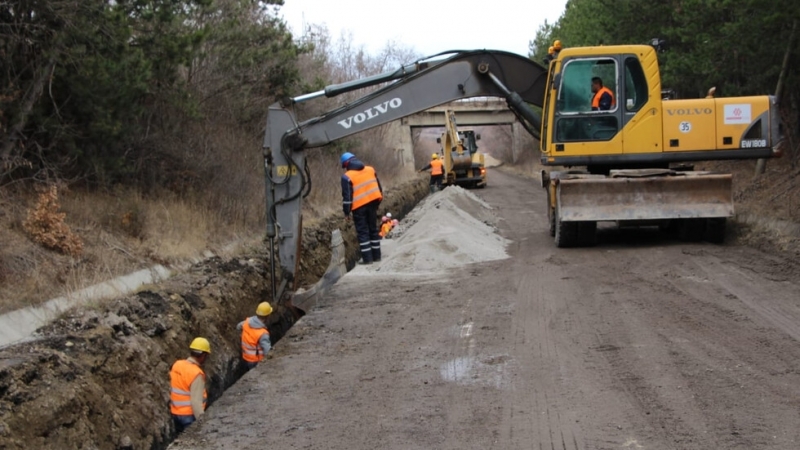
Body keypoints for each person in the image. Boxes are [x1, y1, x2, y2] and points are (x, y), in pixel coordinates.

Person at [341, 152, 383, 265]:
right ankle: (377, 256)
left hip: (359, 207)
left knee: (363, 232)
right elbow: (379, 188)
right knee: (373, 229)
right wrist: (378, 203)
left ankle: (367, 259)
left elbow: (347, 197)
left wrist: (346, 212)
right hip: (373, 203)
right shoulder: (370, 169)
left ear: (346, 164)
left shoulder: (347, 177)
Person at [170, 337, 211, 433]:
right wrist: (202, 422)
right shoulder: (196, 374)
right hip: (188, 416)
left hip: (175, 413)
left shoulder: (177, 365)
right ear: (203, 355)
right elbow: (196, 402)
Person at [237, 302, 273, 370]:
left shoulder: (247, 322)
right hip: (255, 361)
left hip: (245, 357)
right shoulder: (263, 334)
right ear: (267, 316)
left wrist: (242, 335)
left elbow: (238, 326)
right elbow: (267, 351)